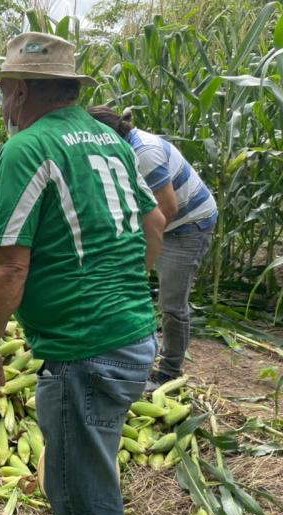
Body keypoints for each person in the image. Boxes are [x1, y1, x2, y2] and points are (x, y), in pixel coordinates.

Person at [0, 32, 166, 515]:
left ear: (25, 90)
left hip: (87, 350)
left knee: (84, 498)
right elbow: (156, 225)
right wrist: (125, 285)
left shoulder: (28, 148)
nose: (3, 104)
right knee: (84, 480)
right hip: (130, 334)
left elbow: (8, 265)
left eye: (6, 90)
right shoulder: (107, 139)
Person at [88, 106, 218, 391]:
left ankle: (169, 371)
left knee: (171, 304)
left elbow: (166, 209)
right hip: (169, 222)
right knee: (152, 294)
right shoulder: (126, 149)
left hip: (188, 225)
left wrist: (143, 259)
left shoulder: (143, 153)